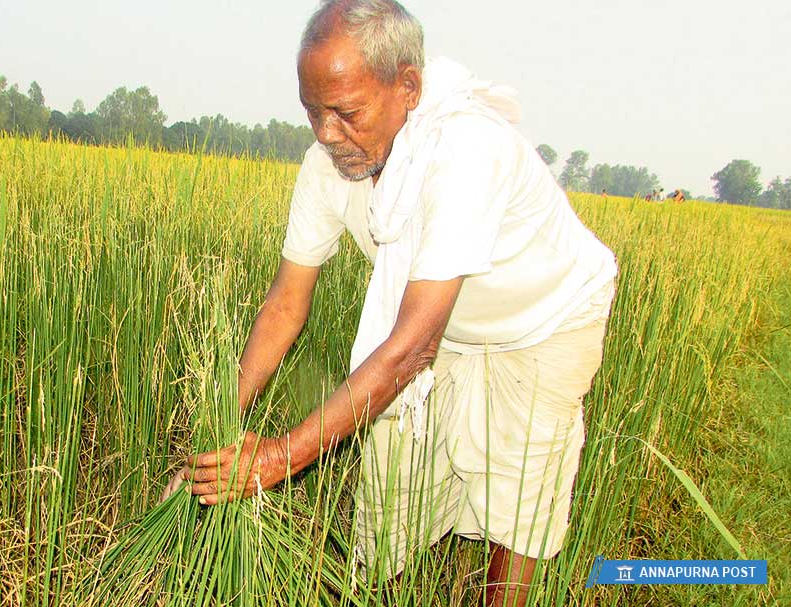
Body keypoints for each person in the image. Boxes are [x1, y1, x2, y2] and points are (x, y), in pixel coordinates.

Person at [162, 1, 617, 605]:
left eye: (346, 112)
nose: (326, 132)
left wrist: (280, 458)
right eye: (311, 110)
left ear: (408, 86)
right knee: (393, 495)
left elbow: (411, 349)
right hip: (437, 326)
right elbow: (285, 303)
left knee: (516, 500)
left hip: (539, 325)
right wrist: (220, 419)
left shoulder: (464, 152)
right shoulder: (329, 165)